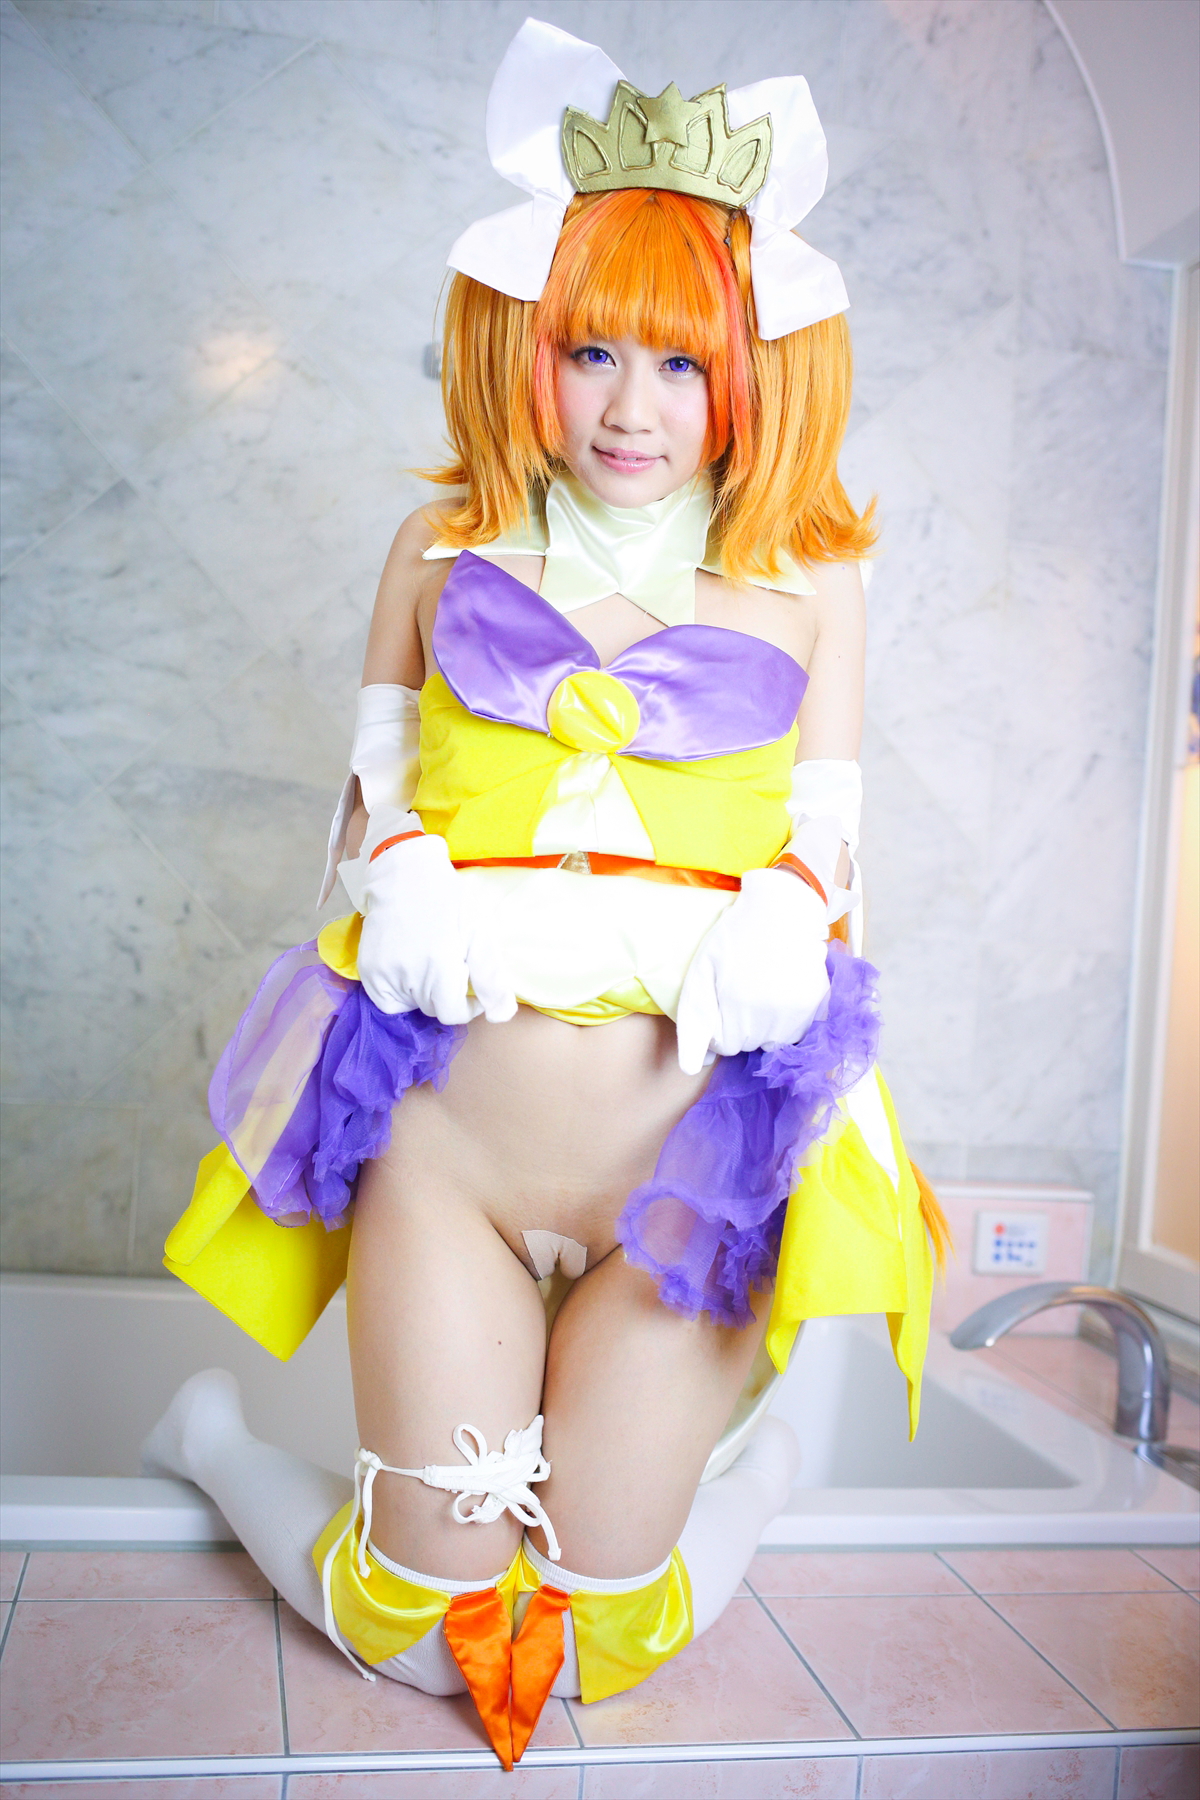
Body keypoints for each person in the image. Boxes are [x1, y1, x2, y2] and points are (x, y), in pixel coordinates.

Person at [146, 20, 947, 1769]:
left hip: (689, 1175)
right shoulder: (441, 543)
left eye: (681, 361)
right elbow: (371, 777)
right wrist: (403, 867)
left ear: (753, 369)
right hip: (455, 1156)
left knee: (589, 1647)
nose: (631, 408)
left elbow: (835, 825)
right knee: (416, 1630)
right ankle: (211, 1442)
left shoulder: (813, 574)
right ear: (529, 347)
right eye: (592, 351)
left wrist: (789, 908)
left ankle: (760, 1475)